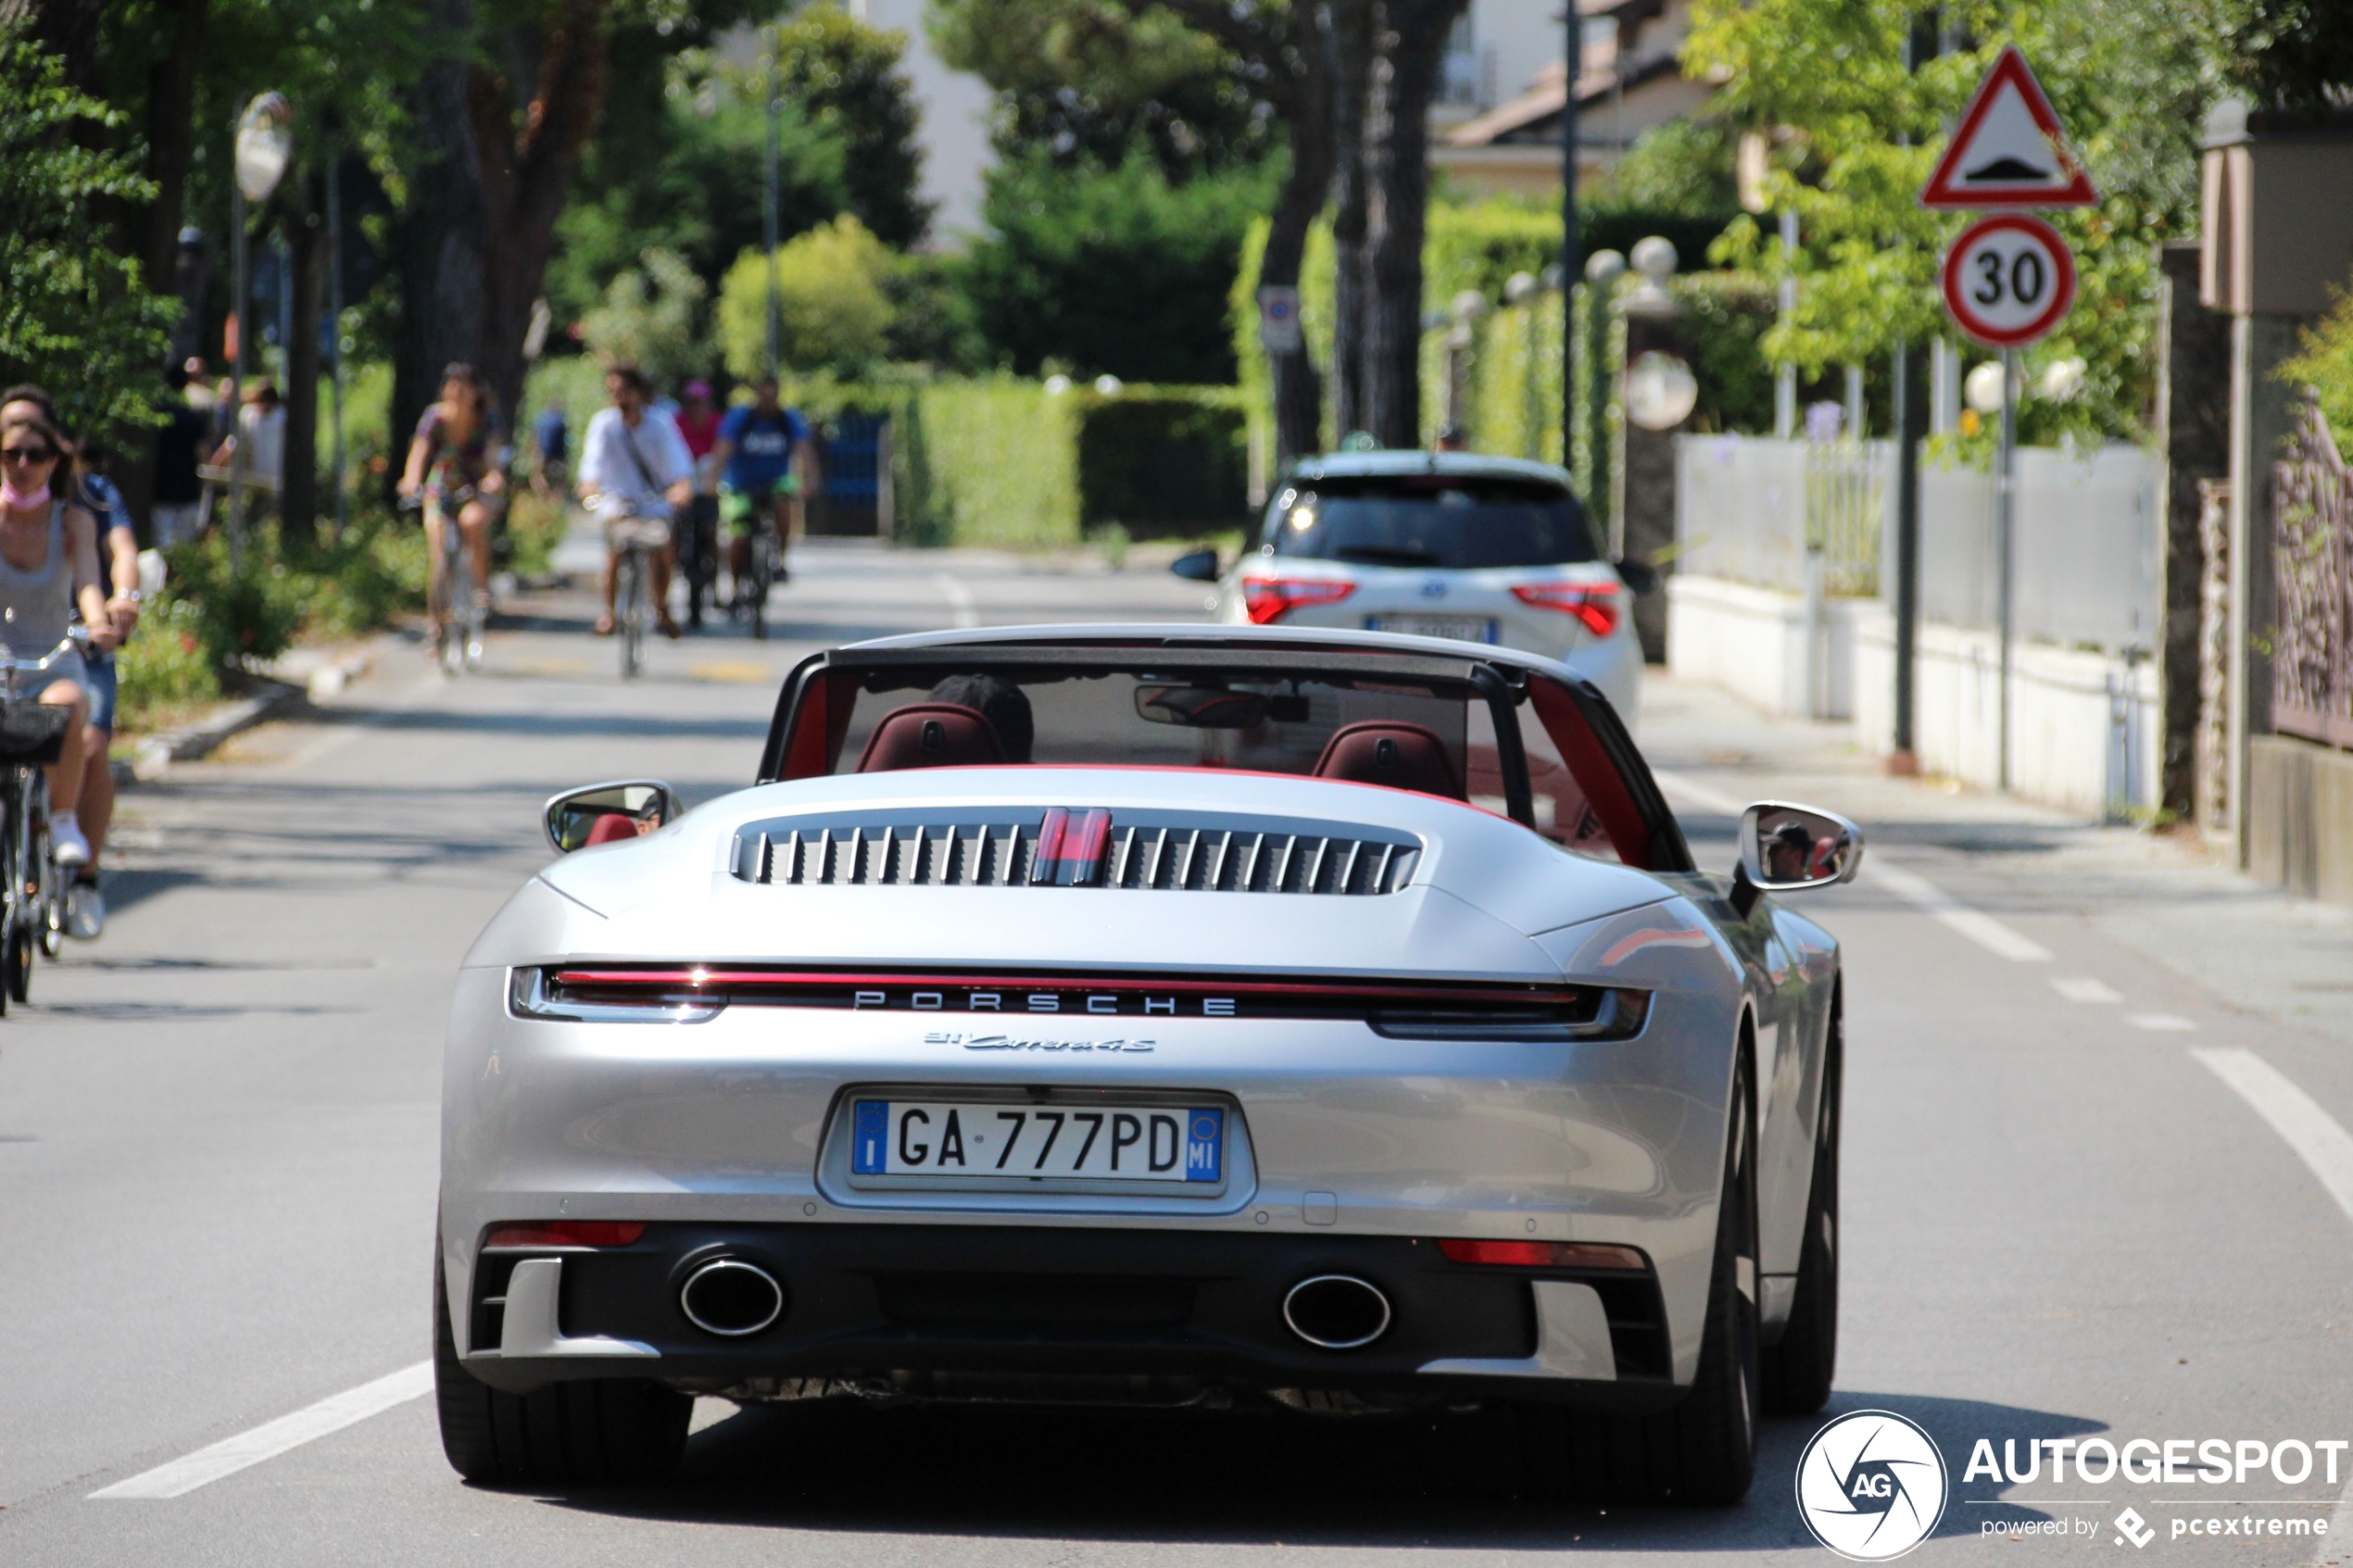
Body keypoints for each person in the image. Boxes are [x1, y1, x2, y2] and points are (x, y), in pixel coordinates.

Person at [0, 398, 116, 873]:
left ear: (54, 462)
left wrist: (99, 622)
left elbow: (88, 580)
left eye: (34, 455)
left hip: (52, 658)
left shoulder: (73, 521)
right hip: (1, 664)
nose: (22, 464)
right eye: (11, 454)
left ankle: (64, 818)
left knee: (67, 708)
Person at [396, 362, 509, 643]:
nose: (456, 392)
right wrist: (411, 479)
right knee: (439, 548)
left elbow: (493, 457)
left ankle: (481, 589)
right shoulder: (435, 417)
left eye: (463, 386)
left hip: (475, 487)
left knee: (473, 522)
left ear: (475, 391)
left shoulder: (486, 419)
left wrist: (494, 477)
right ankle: (436, 623)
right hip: (441, 487)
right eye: (452, 385)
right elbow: (419, 452)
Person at [576, 364, 691, 639]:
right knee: (614, 551)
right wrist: (590, 490)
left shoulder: (661, 424)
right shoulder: (603, 425)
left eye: (624, 391)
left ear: (639, 393)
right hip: (617, 503)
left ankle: (662, 607)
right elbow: (591, 466)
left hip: (654, 502)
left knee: (664, 549)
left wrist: (681, 490)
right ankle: (609, 613)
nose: (619, 398)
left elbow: (680, 467)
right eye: (612, 392)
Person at [711, 375, 811, 599]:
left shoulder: (787, 419)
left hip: (776, 482)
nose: (768, 401)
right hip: (741, 484)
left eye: (772, 396)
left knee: (784, 505)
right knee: (737, 538)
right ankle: (736, 590)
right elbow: (723, 449)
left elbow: (804, 450)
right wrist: (713, 478)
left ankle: (780, 560)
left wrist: (810, 480)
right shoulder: (741, 418)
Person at [673, 380, 723, 630]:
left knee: (711, 532)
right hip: (685, 491)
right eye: (692, 403)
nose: (696, 408)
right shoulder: (677, 423)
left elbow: (724, 452)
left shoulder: (717, 423)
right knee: (675, 533)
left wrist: (716, 476)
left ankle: (713, 574)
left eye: (700, 402)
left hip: (708, 490)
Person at [151, 363, 210, 547]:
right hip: (187, 486)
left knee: (161, 542)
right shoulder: (193, 417)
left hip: (161, 486)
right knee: (185, 543)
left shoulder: (156, 415)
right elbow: (202, 453)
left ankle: (164, 575)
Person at [532, 401, 569, 495]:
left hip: (542, 454)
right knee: (558, 482)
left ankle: (542, 498)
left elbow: (535, 438)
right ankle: (555, 500)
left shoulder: (540, 420)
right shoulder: (560, 420)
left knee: (541, 477)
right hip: (558, 456)